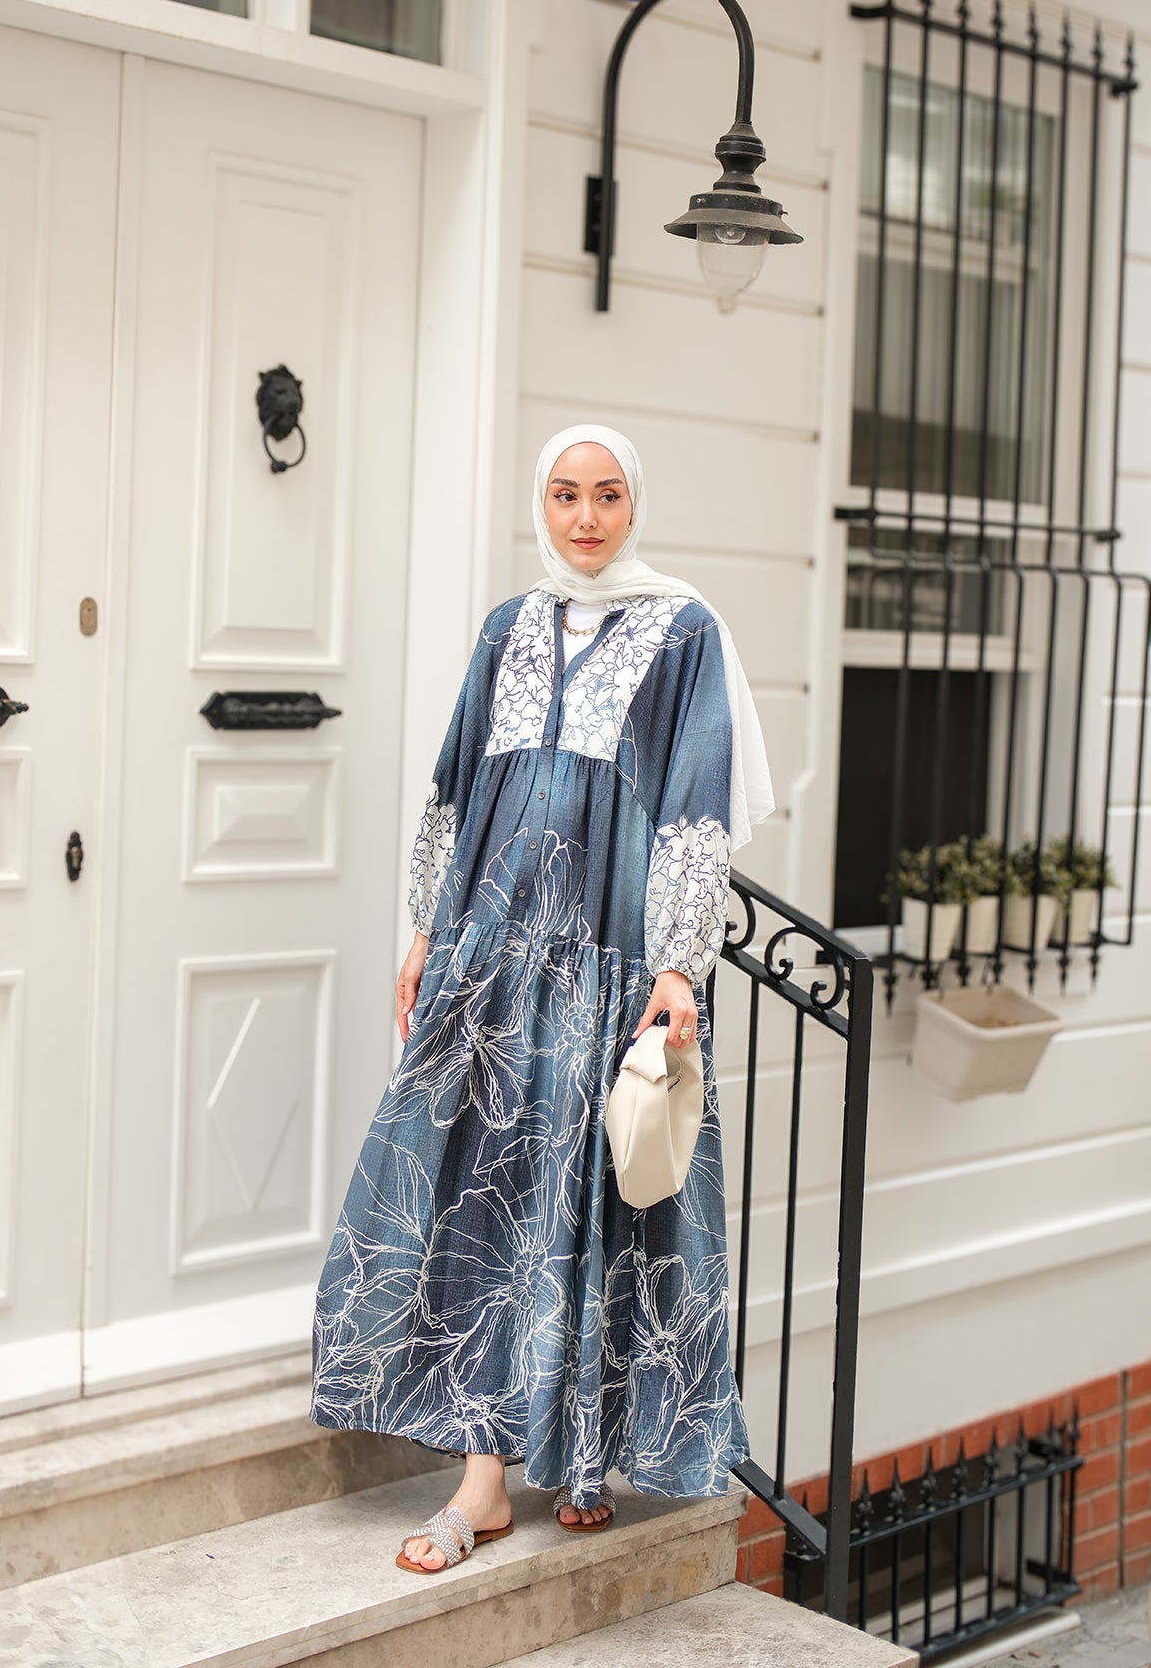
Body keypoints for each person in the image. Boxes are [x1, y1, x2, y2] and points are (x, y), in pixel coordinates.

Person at [310, 423, 775, 1573]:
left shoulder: (682, 631)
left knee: (602, 1205)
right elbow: (458, 783)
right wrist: (426, 928)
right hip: (493, 960)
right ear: (544, 503)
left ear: (634, 504)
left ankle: (583, 1458)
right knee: (482, 1199)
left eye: (607, 495)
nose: (585, 518)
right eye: (566, 494)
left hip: (610, 966)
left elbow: (696, 800)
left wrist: (678, 963)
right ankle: (480, 1486)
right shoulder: (506, 628)